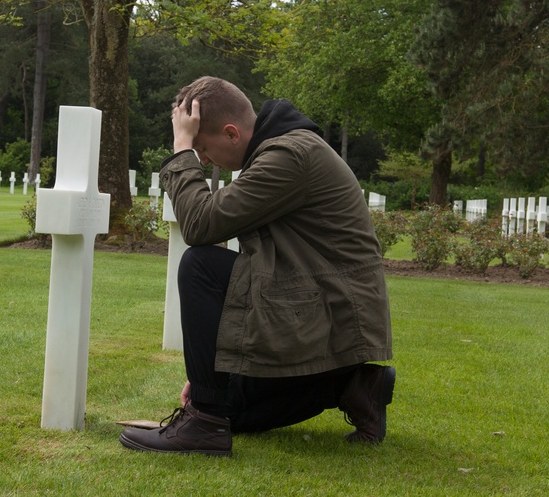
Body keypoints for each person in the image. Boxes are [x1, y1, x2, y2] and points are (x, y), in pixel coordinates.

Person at [119, 76, 394, 457]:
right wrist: (207, 375)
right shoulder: (280, 150)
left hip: (329, 314)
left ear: (231, 133)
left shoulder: (288, 157)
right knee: (232, 409)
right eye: (197, 153)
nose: (205, 160)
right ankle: (352, 386)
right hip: (314, 308)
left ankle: (204, 425)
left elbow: (199, 225)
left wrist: (180, 151)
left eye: (203, 149)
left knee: (200, 264)